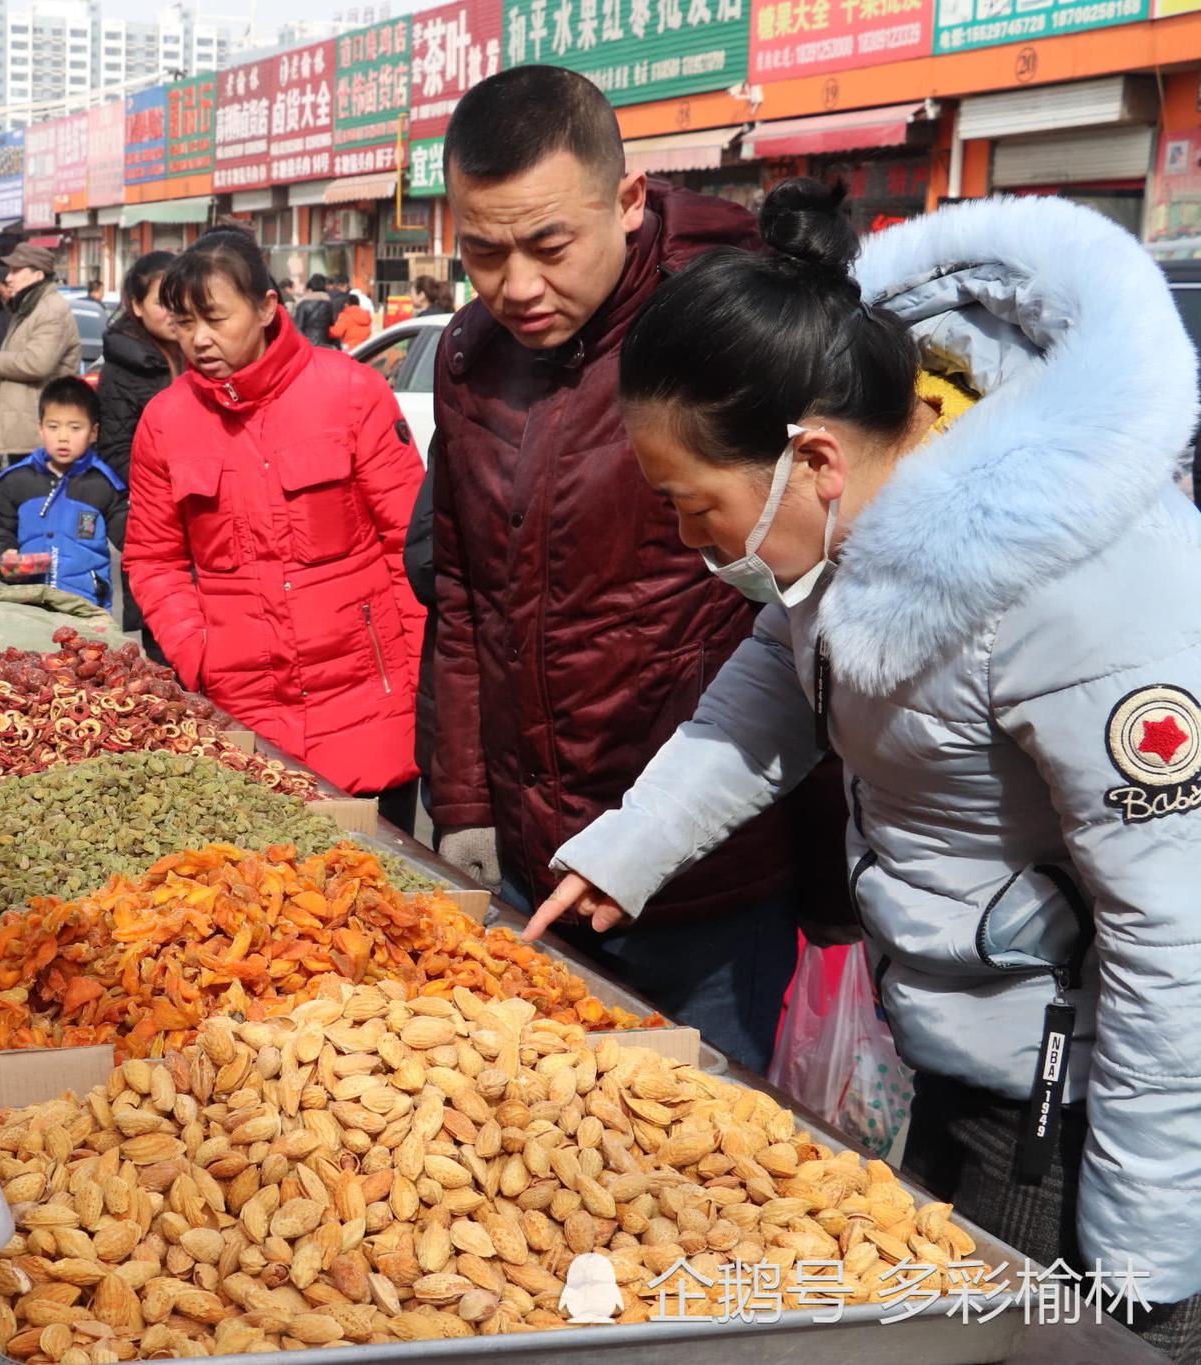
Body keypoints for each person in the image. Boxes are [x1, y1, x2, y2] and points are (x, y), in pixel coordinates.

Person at [528, 180, 1201, 1356]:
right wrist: (625, 852)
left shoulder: (1084, 590)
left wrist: (1145, 1245)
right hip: (961, 1040)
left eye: (698, 511)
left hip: (1082, 1098)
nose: (694, 549)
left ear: (814, 460)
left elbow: (1175, 927)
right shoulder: (853, 527)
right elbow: (777, 684)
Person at [425, 66, 809, 1071]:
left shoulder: (727, 331)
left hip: (707, 872)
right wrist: (462, 802)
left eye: (548, 246)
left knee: (703, 1167)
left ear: (627, 203)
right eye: (482, 251)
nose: (514, 285)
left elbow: (799, 613)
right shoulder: (467, 355)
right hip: (533, 856)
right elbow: (464, 594)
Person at [126, 227, 424, 829]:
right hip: (245, 713)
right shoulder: (166, 421)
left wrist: (416, 671)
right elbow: (152, 560)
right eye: (184, 323)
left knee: (378, 902)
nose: (199, 340)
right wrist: (198, 653)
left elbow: (410, 544)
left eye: (215, 318)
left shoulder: (352, 392)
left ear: (266, 308)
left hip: (371, 707)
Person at [97, 252, 183, 652]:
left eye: (178, 297)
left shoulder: (198, 349)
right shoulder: (125, 364)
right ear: (135, 305)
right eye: (160, 301)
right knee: (168, 646)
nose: (172, 311)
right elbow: (115, 449)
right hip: (155, 516)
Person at [0, 376, 127, 608]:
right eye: (53, 426)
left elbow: (132, 539)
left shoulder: (103, 484)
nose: (63, 436)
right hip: (27, 605)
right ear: (40, 428)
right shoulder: (17, 481)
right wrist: (3, 557)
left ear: (93, 432)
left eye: (75, 428)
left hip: (86, 606)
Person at [0, 243, 80, 477]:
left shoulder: (50, 309)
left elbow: (37, 362)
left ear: (38, 275)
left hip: (38, 430)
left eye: (16, 271)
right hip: (25, 428)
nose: (9, 278)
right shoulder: (30, 306)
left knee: (34, 502)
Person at [292, 272, 340, 349]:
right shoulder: (329, 304)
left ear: (311, 287)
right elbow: (333, 323)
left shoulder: (303, 305)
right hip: (325, 345)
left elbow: (298, 327)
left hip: (307, 346)